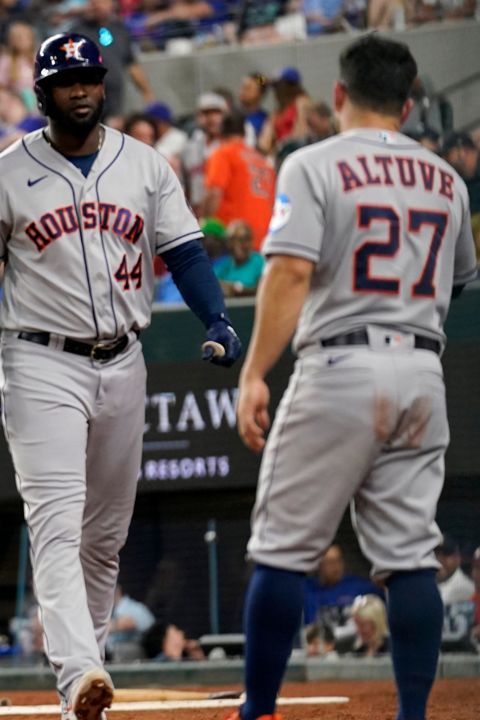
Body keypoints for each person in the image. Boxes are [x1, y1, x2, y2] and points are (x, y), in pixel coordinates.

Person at [0, 34, 240, 720]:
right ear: (41, 93)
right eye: (65, 80)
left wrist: (217, 319)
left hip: (123, 357)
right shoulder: (1, 175)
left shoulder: (144, 165)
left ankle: (87, 690)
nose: (80, 89)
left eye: (88, 78)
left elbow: (186, 254)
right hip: (38, 357)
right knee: (56, 525)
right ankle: (80, 669)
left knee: (106, 533)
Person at [230, 35, 476, 720]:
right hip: (424, 367)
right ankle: (414, 716)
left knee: (281, 550)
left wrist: (254, 373)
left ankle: (259, 711)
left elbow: (289, 271)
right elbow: (459, 282)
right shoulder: (448, 179)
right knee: (410, 559)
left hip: (341, 359)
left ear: (337, 95)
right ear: (410, 98)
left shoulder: (313, 163)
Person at [68, 0, 155, 120]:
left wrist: (146, 92)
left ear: (111, 4)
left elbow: (130, 63)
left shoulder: (120, 29)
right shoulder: (77, 32)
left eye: (100, 2)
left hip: (115, 99)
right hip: (88, 99)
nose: (95, 5)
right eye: (92, 2)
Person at [203, 112, 275, 249]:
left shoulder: (223, 153)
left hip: (235, 238)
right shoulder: (262, 160)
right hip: (266, 238)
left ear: (221, 132)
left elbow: (214, 193)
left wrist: (204, 222)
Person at [302, 545, 380, 630]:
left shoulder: (358, 585)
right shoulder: (308, 589)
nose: (336, 566)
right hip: (320, 640)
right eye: (330, 562)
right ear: (319, 565)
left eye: (338, 560)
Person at [214, 220, 265, 298]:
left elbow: (263, 290)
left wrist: (237, 288)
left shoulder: (260, 263)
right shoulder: (223, 266)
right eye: (232, 240)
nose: (236, 244)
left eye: (242, 240)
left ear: (251, 241)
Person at [436, 537, 475, 606]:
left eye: (446, 554)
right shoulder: (431, 578)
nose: (441, 559)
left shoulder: (463, 585)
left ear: (457, 558)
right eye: (437, 554)